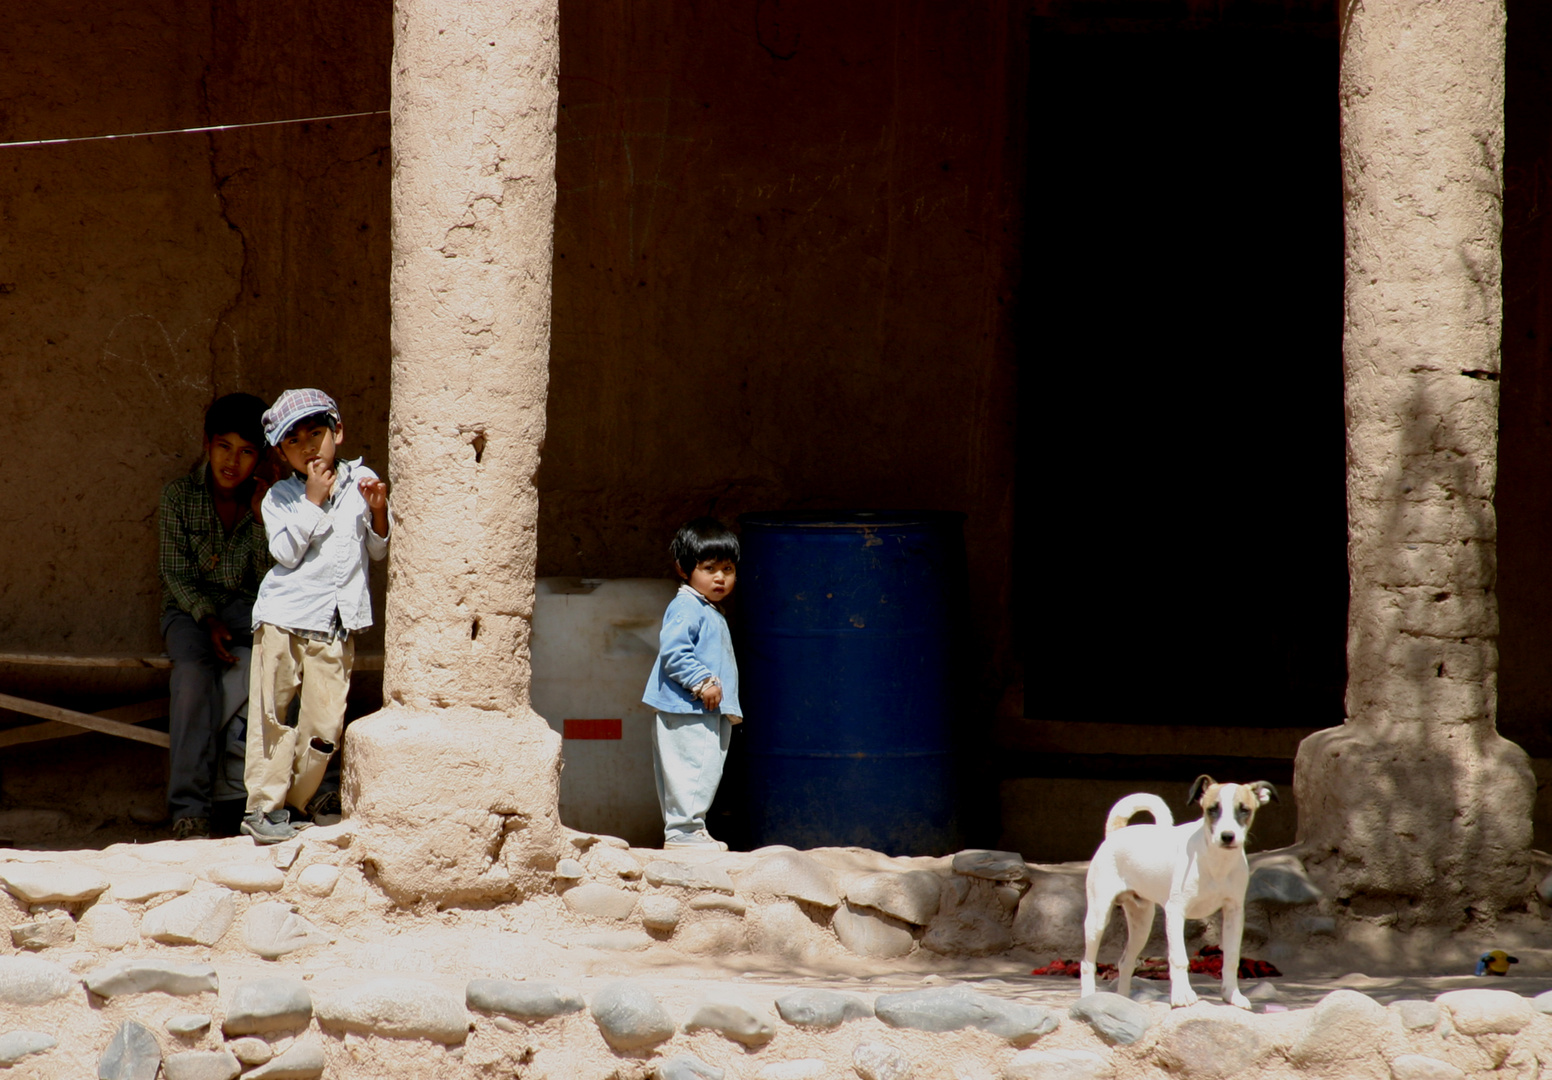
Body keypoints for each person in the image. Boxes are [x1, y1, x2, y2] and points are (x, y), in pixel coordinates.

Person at [242, 388, 389, 844]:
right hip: (283, 619)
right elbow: (284, 554)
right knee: (272, 718)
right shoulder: (281, 497)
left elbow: (377, 551)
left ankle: (297, 802)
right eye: (293, 441)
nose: (308, 446)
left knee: (324, 727)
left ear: (338, 432)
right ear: (281, 452)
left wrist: (380, 512)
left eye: (317, 433)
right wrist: (311, 499)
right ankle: (262, 810)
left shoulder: (362, 482)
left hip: (334, 624)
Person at [158, 393, 274, 840]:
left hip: (246, 608)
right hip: (188, 611)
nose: (233, 462)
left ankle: (283, 797)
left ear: (260, 457)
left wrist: (265, 517)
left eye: (247, 452)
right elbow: (175, 574)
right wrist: (207, 619)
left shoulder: (265, 503)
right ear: (207, 444)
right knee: (191, 676)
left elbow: (269, 578)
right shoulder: (178, 497)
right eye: (225, 446)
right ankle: (190, 809)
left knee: (290, 651)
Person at [642, 517, 743, 850]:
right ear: (683, 570)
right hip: (690, 707)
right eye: (709, 568)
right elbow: (674, 651)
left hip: (697, 708)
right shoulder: (688, 606)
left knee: (694, 768)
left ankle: (685, 830)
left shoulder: (704, 608)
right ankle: (685, 832)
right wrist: (701, 682)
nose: (719, 577)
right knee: (693, 768)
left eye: (727, 569)